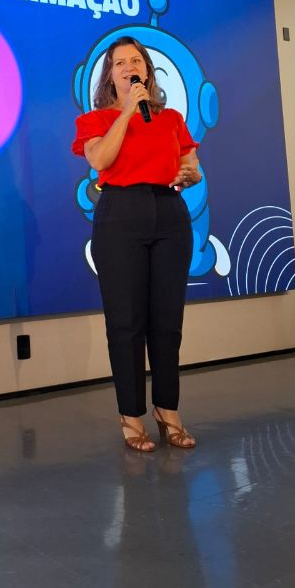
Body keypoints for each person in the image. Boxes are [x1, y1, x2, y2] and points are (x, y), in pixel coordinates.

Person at [72, 36, 202, 452]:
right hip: (120, 215)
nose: (130, 67)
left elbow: (192, 166)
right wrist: (127, 112)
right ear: (110, 76)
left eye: (136, 61)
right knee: (126, 322)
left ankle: (168, 411)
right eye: (120, 63)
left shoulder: (171, 119)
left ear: (147, 69)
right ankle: (131, 416)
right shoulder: (94, 120)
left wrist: (191, 174)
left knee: (167, 321)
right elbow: (100, 160)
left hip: (169, 213)